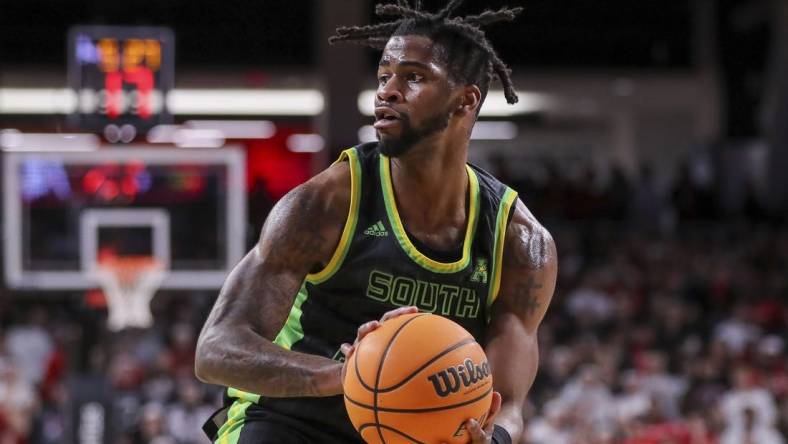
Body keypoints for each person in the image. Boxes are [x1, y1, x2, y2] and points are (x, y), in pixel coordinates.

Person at [195, 1, 557, 443]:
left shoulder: (519, 240)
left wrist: (493, 440)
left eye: (414, 77)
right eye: (384, 76)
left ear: (466, 99)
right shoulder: (325, 202)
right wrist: (351, 375)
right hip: (290, 421)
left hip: (415, 433)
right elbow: (217, 350)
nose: (387, 90)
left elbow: (509, 402)